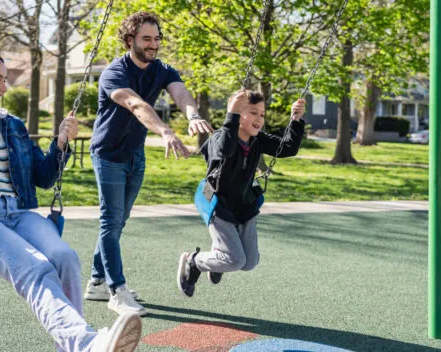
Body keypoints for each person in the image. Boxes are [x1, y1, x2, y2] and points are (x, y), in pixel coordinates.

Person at [0, 48, 142, 352]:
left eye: (5, 80)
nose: (5, 88)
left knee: (65, 259)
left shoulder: (12, 125)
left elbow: (44, 177)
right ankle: (86, 345)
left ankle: (71, 347)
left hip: (19, 214)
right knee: (37, 268)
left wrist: (60, 142)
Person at [85, 11, 214, 316]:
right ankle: (117, 290)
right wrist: (166, 131)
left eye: (157, 38)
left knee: (118, 222)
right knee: (110, 220)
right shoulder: (114, 72)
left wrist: (193, 115)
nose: (154, 44)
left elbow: (180, 93)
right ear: (130, 40)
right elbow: (136, 104)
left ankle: (96, 281)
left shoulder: (161, 69)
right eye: (147, 38)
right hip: (108, 155)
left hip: (134, 156)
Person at [177, 89, 306, 298]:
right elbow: (225, 150)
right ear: (237, 114)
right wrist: (232, 115)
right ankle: (194, 261)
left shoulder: (258, 140)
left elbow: (287, 148)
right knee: (235, 260)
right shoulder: (220, 137)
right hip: (218, 203)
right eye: (253, 113)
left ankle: (218, 255)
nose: (259, 119)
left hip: (243, 205)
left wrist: (296, 120)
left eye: (262, 114)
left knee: (250, 262)